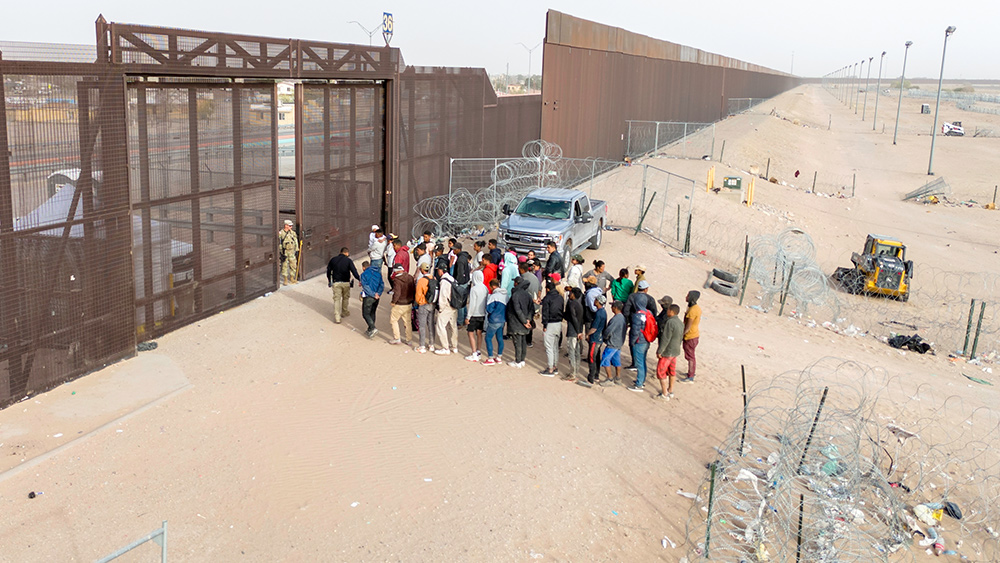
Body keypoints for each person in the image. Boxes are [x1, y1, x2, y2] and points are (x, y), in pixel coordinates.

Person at [624, 279, 659, 372]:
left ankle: (635, 363)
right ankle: (641, 362)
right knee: (645, 342)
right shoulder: (650, 298)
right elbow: (654, 312)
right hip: (647, 324)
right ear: (646, 289)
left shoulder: (632, 296)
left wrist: (628, 321)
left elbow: (626, 310)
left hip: (634, 322)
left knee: (633, 341)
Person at [656, 302, 683, 400]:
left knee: (661, 371)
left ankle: (664, 393)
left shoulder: (670, 322)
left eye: (668, 310)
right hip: (675, 351)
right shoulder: (680, 322)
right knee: (672, 371)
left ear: (671, 311)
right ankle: (670, 390)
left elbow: (665, 338)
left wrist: (660, 351)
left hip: (668, 351)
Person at [326, 247, 361, 323]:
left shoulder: (333, 260)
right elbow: (354, 271)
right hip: (346, 282)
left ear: (340, 252)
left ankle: (337, 317)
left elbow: (328, 271)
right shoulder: (348, 261)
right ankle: (344, 312)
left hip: (336, 282)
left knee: (337, 299)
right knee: (345, 298)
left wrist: (329, 280)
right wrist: (360, 279)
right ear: (346, 253)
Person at [506, 277, 533, 368]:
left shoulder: (515, 295)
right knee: (523, 342)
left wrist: (524, 321)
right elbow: (531, 309)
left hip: (516, 322)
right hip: (524, 321)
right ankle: (522, 360)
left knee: (517, 342)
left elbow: (517, 310)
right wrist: (528, 319)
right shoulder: (528, 294)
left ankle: (518, 361)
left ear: (517, 283)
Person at [540, 279, 564, 377]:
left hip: (550, 323)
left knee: (549, 347)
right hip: (558, 323)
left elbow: (545, 313)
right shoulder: (560, 297)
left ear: (548, 289)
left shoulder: (547, 298)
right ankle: (555, 367)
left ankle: (550, 369)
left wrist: (544, 325)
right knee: (555, 347)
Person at [583, 294, 608, 387]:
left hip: (595, 338)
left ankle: (591, 378)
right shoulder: (603, 312)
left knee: (592, 357)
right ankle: (596, 375)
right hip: (599, 338)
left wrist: (587, 334)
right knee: (597, 357)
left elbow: (594, 328)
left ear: (598, 302)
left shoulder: (598, 313)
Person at [434, 265, 459, 355]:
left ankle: (445, 347)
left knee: (440, 326)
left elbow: (443, 296)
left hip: (447, 306)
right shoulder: (452, 279)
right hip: (454, 305)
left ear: (441, 271)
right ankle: (454, 346)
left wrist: (441, 309)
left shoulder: (444, 281)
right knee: (453, 326)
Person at [600, 301, 627, 386]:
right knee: (616, 360)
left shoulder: (616, 319)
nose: (611, 308)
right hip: (619, 343)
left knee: (605, 359)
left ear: (615, 308)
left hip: (613, 343)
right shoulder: (622, 318)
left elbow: (608, 331)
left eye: (612, 306)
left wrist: (604, 337)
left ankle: (610, 379)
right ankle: (618, 378)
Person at [388, 265, 415, 345]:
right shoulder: (410, 277)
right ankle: (409, 340)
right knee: (407, 322)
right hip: (408, 303)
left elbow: (397, 293)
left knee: (393, 320)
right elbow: (414, 289)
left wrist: (393, 301)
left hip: (399, 304)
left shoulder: (397, 280)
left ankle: (397, 338)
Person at [465, 270, 488, 361]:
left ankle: (474, 353)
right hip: (482, 314)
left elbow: (472, 304)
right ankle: (478, 351)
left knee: (470, 333)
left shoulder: (474, 289)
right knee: (479, 333)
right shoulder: (485, 288)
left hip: (474, 314)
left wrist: (468, 316)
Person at [563, 287, 585, 382]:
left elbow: (573, 317)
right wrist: (580, 331)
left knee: (572, 352)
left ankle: (573, 373)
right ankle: (576, 372)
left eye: (571, 293)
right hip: (578, 331)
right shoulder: (579, 304)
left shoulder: (572, 304)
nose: (569, 294)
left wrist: (577, 331)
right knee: (577, 352)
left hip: (573, 331)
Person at [680, 290, 702, 384]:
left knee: (690, 356)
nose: (686, 297)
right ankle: (691, 372)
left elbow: (688, 326)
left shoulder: (693, 310)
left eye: (688, 296)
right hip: (694, 334)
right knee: (690, 355)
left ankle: (691, 376)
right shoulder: (694, 308)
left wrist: (681, 335)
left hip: (690, 336)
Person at [483, 278, 507, 365]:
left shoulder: (493, 296)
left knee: (488, 338)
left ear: (493, 286)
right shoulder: (505, 295)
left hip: (494, 320)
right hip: (502, 320)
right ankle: (499, 357)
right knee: (500, 338)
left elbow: (489, 309)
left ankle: (490, 358)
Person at [414, 262, 436, 353]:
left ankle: (422, 346)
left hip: (423, 304)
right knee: (431, 325)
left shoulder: (421, 281)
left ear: (422, 270)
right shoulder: (433, 278)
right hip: (432, 304)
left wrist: (418, 303)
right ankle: (431, 344)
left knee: (422, 326)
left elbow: (418, 294)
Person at [359, 260, 383, 339]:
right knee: (372, 312)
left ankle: (373, 328)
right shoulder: (378, 273)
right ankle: (370, 329)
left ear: (363, 267)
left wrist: (373, 294)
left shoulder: (363, 275)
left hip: (369, 296)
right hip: (377, 297)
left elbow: (366, 287)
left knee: (365, 314)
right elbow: (381, 284)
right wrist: (378, 294)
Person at [453, 242, 472, 327]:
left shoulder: (460, 260)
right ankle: (465, 318)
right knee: (463, 302)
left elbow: (460, 273)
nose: (453, 251)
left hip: (461, 283)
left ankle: (460, 321)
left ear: (459, 249)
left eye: (455, 249)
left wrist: (457, 283)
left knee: (460, 302)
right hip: (465, 282)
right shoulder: (464, 257)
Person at [278, 219, 299, 285]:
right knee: (284, 266)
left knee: (293, 265)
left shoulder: (292, 233)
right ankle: (285, 279)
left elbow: (296, 241)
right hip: (285, 252)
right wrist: (281, 252)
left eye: (291, 226)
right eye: (289, 226)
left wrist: (297, 249)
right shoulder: (281, 233)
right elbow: (279, 243)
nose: (291, 227)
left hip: (292, 251)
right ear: (286, 225)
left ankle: (292, 278)